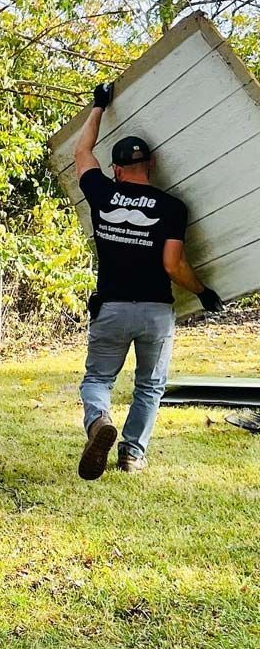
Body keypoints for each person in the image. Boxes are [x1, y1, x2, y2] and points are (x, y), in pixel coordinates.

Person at [74, 82, 223, 480]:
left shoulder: (103, 193)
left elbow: (82, 152)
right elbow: (173, 265)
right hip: (155, 312)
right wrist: (204, 292)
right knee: (149, 386)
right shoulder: (172, 207)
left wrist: (98, 107)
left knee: (98, 379)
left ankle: (98, 421)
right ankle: (132, 454)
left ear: (118, 170)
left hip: (111, 307)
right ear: (151, 166)